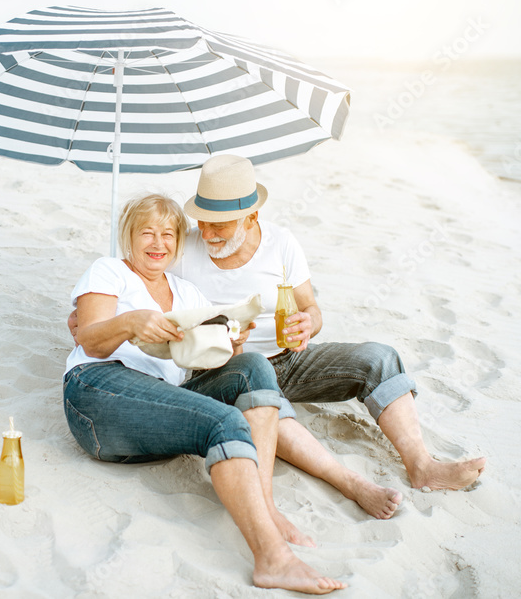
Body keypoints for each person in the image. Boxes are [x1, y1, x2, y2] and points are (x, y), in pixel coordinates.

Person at [63, 193, 346, 595]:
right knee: (224, 419)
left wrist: (233, 341)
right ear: (128, 236)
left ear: (179, 242)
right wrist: (129, 322)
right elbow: (90, 340)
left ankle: (263, 502)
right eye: (147, 233)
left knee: (254, 367)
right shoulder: (109, 272)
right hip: (97, 391)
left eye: (167, 234)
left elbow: (212, 362)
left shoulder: (188, 294)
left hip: (156, 406)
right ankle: (272, 559)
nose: (158, 244)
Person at [174, 154, 487, 492]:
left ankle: (422, 465)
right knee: (259, 399)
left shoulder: (281, 244)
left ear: (251, 217)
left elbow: (311, 307)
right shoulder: (183, 251)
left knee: (378, 358)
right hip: (225, 373)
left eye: (218, 224)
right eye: (202, 220)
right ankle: (347, 480)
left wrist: (308, 323)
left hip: (287, 360)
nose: (205, 232)